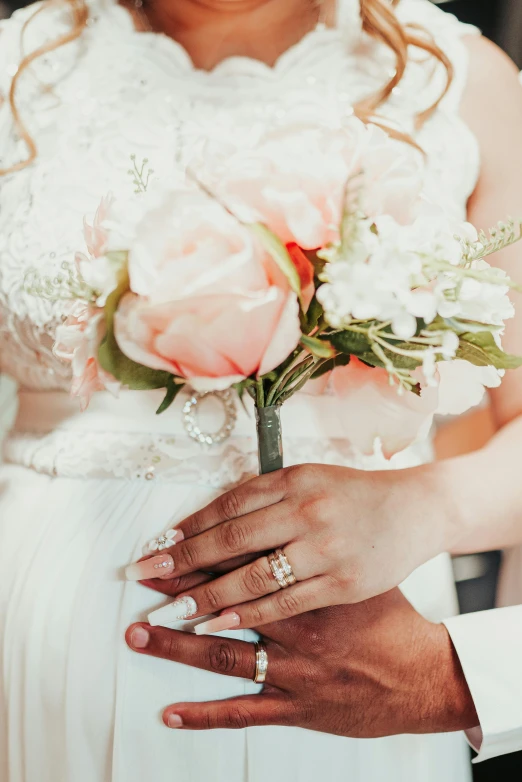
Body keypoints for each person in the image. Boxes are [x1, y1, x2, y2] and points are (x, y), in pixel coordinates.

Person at [0, 1, 521, 782]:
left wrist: (426, 503)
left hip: (365, 663)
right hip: (53, 647)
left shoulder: (462, 81)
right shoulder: (19, 69)